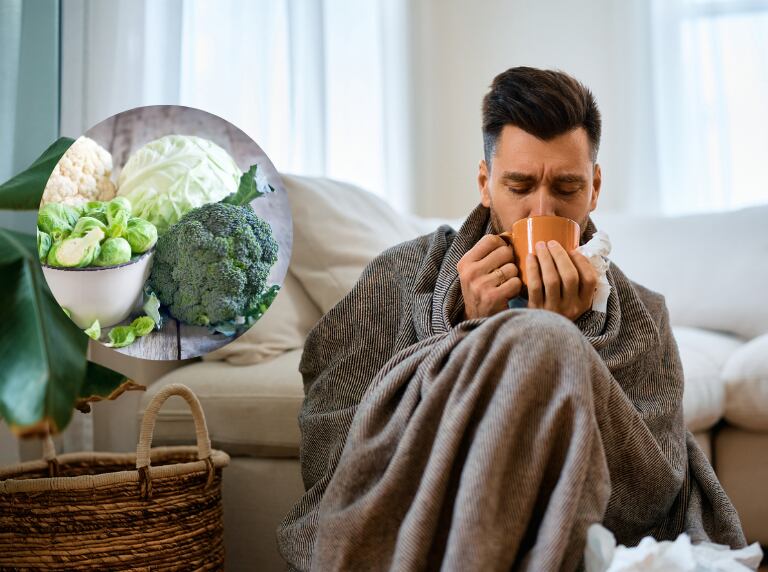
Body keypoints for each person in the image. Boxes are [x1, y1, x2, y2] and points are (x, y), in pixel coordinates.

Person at [277, 67, 746, 571]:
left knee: (545, 340)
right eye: (518, 185)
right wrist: (473, 334)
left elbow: (648, 499)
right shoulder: (396, 277)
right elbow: (330, 451)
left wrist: (563, 341)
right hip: (422, 518)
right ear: (485, 183)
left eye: (566, 187)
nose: (539, 209)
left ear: (595, 188)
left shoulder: (643, 318)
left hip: (571, 535)